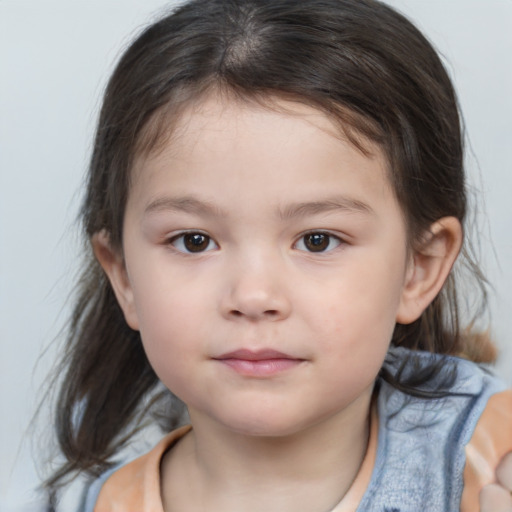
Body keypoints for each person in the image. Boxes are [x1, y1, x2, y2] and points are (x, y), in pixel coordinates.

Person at [44, 0, 512, 510]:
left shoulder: (491, 455)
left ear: (417, 269)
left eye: (317, 240)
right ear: (124, 277)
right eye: (194, 241)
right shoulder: (91, 504)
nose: (253, 296)